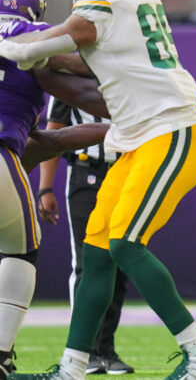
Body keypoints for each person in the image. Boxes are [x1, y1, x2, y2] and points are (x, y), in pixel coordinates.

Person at [0, 0, 196, 379]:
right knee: (97, 252)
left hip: (169, 132)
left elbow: (33, 53)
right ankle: (73, 367)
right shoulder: (137, 0)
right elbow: (76, 70)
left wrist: (12, 41)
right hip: (144, 135)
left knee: (123, 244)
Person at [0, 0, 110, 380]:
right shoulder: (36, 33)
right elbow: (86, 81)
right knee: (20, 247)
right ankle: (1, 354)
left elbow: (48, 141)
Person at [37, 98, 133, 375]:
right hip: (86, 170)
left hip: (127, 171)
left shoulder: (129, 68)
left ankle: (106, 349)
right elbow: (53, 133)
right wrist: (45, 188)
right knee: (88, 261)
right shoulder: (69, 74)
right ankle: (84, 349)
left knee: (122, 260)